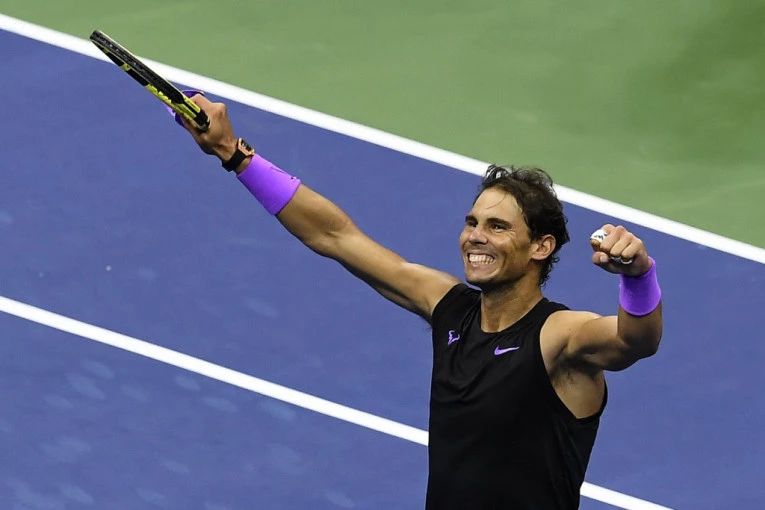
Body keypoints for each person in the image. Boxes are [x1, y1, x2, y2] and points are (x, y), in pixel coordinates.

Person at [174, 94, 663, 509]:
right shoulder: (449, 307)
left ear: (541, 246)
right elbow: (335, 235)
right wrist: (233, 153)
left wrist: (638, 276)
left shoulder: (559, 336)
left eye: (497, 227)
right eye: (472, 223)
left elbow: (633, 341)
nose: (476, 237)